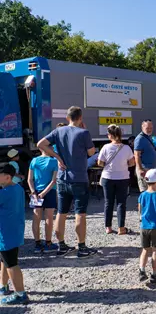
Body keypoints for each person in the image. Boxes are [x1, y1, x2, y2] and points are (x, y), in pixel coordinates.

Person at [37, 106, 98, 258]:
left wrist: (57, 157)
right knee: (80, 214)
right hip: (79, 178)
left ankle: (61, 245)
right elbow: (91, 152)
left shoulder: (58, 131)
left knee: (61, 213)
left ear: (67, 117)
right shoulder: (84, 132)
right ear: (80, 118)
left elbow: (40, 144)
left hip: (62, 178)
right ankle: (82, 247)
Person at [98, 125, 135, 235]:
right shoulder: (127, 148)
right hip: (123, 178)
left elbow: (100, 163)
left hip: (108, 177)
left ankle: (108, 227)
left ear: (111, 135)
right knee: (121, 203)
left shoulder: (105, 147)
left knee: (108, 202)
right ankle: (121, 228)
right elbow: (132, 162)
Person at [0, 164, 29, 305]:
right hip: (15, 231)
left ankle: (20, 293)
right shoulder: (18, 188)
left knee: (11, 264)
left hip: (6, 234)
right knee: (4, 262)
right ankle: (3, 286)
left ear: (7, 177)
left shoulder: (4, 193)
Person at [27, 150, 59, 254]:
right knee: (48, 218)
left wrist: (34, 192)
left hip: (36, 192)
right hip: (49, 192)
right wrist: (44, 194)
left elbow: (29, 179)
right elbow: (53, 181)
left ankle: (37, 243)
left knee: (36, 217)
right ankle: (48, 243)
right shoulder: (53, 161)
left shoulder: (34, 160)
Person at [134, 120, 156, 192]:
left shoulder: (148, 136)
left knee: (150, 191)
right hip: (144, 169)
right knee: (145, 192)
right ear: (142, 127)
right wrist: (140, 169)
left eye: (151, 128)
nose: (149, 130)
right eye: (147, 128)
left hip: (150, 168)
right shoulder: (140, 138)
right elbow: (136, 155)